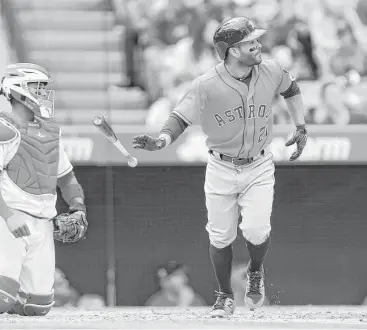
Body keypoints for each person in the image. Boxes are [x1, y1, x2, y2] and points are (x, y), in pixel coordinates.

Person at [133, 17, 307, 318]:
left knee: (256, 228)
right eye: (249, 42)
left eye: (255, 40)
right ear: (231, 51)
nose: (257, 45)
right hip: (221, 166)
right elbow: (180, 118)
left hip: (260, 164)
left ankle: (255, 271)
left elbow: (291, 90)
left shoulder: (271, 70)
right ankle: (224, 296)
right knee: (220, 235)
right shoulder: (206, 84)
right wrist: (161, 141)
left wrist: (301, 126)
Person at [0, 63, 87, 316]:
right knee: (2, 298)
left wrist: (78, 208)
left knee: (38, 306)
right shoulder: (4, 129)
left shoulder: (49, 131)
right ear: (16, 90)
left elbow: (67, 177)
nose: (42, 94)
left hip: (43, 222)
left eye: (43, 88)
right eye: (36, 87)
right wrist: (8, 215)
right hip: (10, 218)